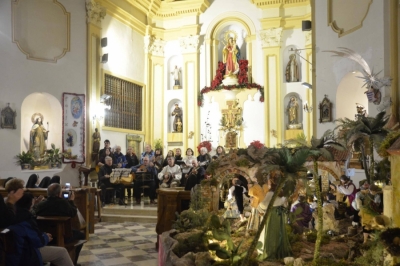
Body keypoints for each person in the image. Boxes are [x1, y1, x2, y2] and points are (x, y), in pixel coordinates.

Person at [10, 192, 74, 266]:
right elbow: (37, 241)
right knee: (62, 252)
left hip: (12, 253)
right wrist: (46, 237)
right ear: (30, 205)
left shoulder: (10, 214)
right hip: (26, 253)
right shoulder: (26, 220)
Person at [34, 184, 85, 265]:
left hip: (46, 236)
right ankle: (73, 262)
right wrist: (71, 201)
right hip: (64, 236)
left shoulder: (41, 204)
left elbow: (34, 213)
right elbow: (73, 213)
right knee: (81, 235)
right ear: (59, 194)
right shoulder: (64, 203)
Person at [257, 170, 292, 260]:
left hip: (271, 215)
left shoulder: (271, 193)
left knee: (270, 232)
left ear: (271, 183)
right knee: (279, 232)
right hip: (279, 215)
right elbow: (285, 203)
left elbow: (264, 205)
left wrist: (259, 205)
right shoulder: (281, 193)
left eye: (268, 182)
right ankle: (279, 250)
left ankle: (270, 251)